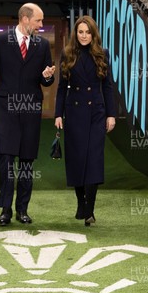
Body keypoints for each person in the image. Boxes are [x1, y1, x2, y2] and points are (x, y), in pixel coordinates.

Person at [0, 3, 56, 227]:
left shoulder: (42, 45)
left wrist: (48, 76)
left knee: (27, 161)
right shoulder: (1, 41)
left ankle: (23, 209)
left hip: (31, 109)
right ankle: (5, 209)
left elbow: (45, 80)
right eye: (38, 21)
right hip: (6, 109)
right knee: (6, 158)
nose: (41, 25)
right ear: (24, 19)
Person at [54, 15, 116, 226]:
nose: (84, 35)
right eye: (80, 32)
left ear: (93, 34)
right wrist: (57, 114)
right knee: (77, 159)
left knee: (94, 160)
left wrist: (111, 114)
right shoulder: (67, 54)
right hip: (74, 112)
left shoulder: (102, 54)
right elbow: (62, 88)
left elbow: (108, 86)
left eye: (87, 32)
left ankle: (90, 208)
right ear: (75, 33)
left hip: (96, 113)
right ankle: (81, 201)